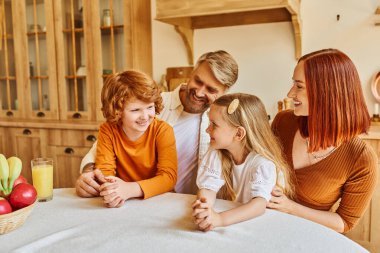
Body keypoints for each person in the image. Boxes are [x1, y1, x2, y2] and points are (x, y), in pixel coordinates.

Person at [75, 50, 239, 197]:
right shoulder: (154, 101)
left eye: (211, 90)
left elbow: (247, 159)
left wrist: (262, 191)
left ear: (224, 92)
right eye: (198, 81)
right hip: (137, 199)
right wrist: (90, 174)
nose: (199, 92)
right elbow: (101, 149)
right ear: (192, 73)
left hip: (192, 204)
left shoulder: (226, 123)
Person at [269, 49, 378, 233]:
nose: (290, 93)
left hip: (308, 236)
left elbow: (344, 222)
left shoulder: (361, 159)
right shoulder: (283, 122)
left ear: (326, 92)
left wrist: (291, 208)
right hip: (264, 223)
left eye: (299, 86)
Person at [192, 93, 294, 231]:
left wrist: (220, 219)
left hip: (261, 226)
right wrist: (204, 208)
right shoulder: (216, 152)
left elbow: (258, 205)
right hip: (236, 223)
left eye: (213, 125)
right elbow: (208, 188)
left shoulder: (262, 164)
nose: (207, 129)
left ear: (239, 134)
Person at [92, 70, 177, 208]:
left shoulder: (163, 130)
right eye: (135, 110)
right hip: (124, 202)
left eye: (150, 107)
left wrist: (129, 190)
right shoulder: (108, 130)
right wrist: (110, 190)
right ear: (117, 111)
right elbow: (105, 172)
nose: (145, 116)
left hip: (159, 200)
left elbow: (168, 178)